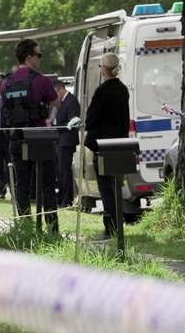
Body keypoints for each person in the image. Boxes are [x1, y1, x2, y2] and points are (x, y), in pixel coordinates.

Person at [0, 39, 61, 234]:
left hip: (16, 138)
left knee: (21, 185)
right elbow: (57, 102)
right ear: (29, 57)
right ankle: (52, 229)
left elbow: (4, 108)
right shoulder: (40, 80)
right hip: (39, 137)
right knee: (47, 185)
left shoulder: (6, 83)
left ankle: (25, 228)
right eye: (38, 55)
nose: (40, 59)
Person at [84, 52, 130, 239]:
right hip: (119, 144)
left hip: (103, 146)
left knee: (105, 187)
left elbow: (91, 119)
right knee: (115, 186)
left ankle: (110, 226)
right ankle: (119, 223)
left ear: (104, 69)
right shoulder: (123, 89)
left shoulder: (102, 91)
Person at [53, 77, 81, 207]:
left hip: (66, 141)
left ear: (61, 89)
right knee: (61, 171)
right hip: (61, 141)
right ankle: (62, 197)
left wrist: (55, 125)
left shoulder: (71, 101)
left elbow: (73, 122)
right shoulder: (64, 102)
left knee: (65, 171)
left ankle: (67, 198)